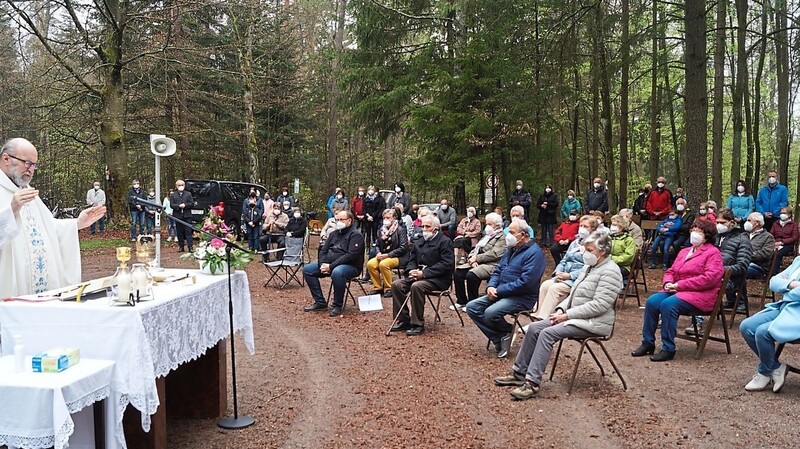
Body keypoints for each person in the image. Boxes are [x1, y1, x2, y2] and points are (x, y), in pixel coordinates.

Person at [493, 231, 622, 400]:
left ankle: (532, 383)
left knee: (547, 333)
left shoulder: (610, 271)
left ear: (602, 251)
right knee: (533, 328)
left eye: (590, 250)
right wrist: (561, 309)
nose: (585, 253)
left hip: (593, 322)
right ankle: (519, 373)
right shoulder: (588, 267)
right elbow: (573, 295)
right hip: (575, 317)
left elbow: (600, 305)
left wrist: (567, 315)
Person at [0, 138, 105, 298]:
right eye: (27, 163)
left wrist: (76, 223)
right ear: (6, 159)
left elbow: (48, 228)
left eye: (34, 165)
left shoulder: (28, 192)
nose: (31, 169)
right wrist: (11, 211)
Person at [632, 219, 724, 361]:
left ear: (707, 235)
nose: (694, 233)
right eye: (693, 230)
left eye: (699, 231)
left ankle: (668, 348)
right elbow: (671, 271)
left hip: (701, 294)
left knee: (668, 305)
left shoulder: (713, 253)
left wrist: (680, 285)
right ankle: (647, 342)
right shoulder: (684, 251)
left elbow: (710, 278)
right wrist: (668, 282)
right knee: (652, 302)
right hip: (678, 290)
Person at [466, 219, 545, 358]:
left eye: (512, 232)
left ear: (524, 234)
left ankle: (505, 333)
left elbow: (526, 282)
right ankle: (502, 336)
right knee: (472, 307)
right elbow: (498, 270)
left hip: (522, 298)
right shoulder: (511, 249)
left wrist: (499, 290)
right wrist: (491, 286)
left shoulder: (535, 254)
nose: (508, 235)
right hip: (501, 293)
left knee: (490, 312)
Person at [739, 255, 800, 393]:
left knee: (762, 332)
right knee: (746, 326)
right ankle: (776, 367)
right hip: (785, 306)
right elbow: (773, 282)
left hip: (797, 313)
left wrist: (785, 286)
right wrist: (791, 284)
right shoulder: (798, 260)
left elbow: (783, 287)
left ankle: (764, 372)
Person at [389, 215, 454, 336]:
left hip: (438, 279)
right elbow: (412, 259)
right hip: (417, 275)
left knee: (417, 286)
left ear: (436, 228)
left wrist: (424, 273)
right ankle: (404, 320)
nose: (424, 229)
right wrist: (411, 271)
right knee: (396, 284)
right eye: (422, 226)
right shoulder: (419, 241)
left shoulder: (445, 242)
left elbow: (447, 265)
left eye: (427, 226)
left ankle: (417, 323)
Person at [533, 215, 598, 321]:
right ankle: (536, 314)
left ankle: (543, 319)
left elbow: (589, 267)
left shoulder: (594, 245)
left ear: (593, 229)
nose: (582, 228)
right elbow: (564, 260)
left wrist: (569, 276)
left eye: (585, 226)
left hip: (578, 280)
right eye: (581, 225)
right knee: (545, 285)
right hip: (564, 276)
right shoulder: (575, 243)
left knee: (554, 289)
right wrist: (558, 272)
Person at [303, 210, 364, 317]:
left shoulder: (356, 235)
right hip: (329, 265)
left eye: (341, 220)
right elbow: (323, 250)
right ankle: (320, 302)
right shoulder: (333, 234)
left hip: (350, 267)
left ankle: (337, 305)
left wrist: (331, 267)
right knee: (307, 269)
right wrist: (322, 264)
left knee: (337, 272)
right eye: (337, 220)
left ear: (349, 221)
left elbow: (350, 256)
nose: (338, 222)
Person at [452, 212, 506, 310]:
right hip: (477, 262)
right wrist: (472, 259)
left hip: (492, 265)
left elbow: (495, 254)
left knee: (471, 275)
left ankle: (473, 302)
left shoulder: (502, 238)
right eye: (486, 224)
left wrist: (477, 258)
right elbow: (475, 248)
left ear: (497, 225)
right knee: (458, 273)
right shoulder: (488, 236)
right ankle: (461, 301)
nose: (487, 226)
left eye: (490, 224)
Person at [366, 208, 409, 298]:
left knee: (383, 264)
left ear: (394, 218)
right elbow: (377, 244)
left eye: (388, 218)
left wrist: (388, 255)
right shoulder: (381, 230)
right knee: (370, 264)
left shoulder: (400, 229)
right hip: (383, 255)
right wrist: (378, 253)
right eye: (384, 218)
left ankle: (388, 288)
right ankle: (378, 287)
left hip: (399, 256)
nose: (386, 220)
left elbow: (403, 247)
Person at [745, 212, 776, 282]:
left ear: (757, 223)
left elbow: (765, 254)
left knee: (740, 269)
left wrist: (746, 255)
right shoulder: (743, 235)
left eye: (749, 220)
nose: (746, 222)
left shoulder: (768, 237)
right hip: (741, 262)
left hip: (757, 267)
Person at [770, 207, 799, 276]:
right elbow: (770, 234)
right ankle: (765, 271)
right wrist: (773, 242)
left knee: (778, 254)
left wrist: (782, 242)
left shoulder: (793, 225)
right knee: (767, 251)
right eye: (781, 213)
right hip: (774, 243)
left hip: (787, 245)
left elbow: (795, 237)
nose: (782, 215)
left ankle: (773, 274)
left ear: (789, 215)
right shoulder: (776, 223)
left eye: (784, 213)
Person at [169, 180, 194, 253]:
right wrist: (178, 206)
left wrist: (185, 205)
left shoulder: (188, 194)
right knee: (179, 232)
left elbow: (191, 203)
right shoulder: (173, 195)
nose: (181, 186)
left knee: (188, 232)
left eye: (182, 185)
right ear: (177, 186)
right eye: (179, 185)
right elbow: (172, 205)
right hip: (178, 216)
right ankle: (181, 246)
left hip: (187, 216)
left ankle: (190, 247)